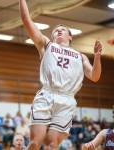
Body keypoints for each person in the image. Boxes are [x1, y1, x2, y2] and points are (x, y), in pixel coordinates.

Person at [19, 0, 102, 149]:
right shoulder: (46, 45)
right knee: (35, 142)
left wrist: (97, 57)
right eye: (55, 30)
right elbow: (26, 20)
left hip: (67, 99)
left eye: (62, 29)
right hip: (47, 94)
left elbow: (95, 76)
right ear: (51, 36)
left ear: (70, 37)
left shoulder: (80, 56)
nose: (58, 31)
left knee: (52, 144)